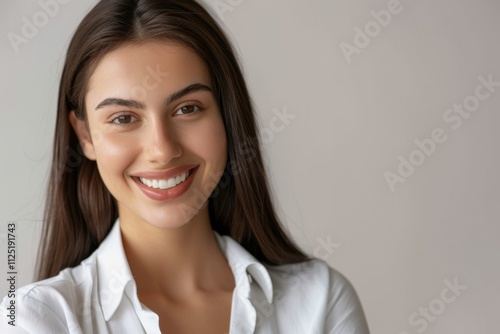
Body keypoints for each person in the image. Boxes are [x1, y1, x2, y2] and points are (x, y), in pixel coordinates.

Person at [0, 0, 370, 333]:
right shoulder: (37, 319)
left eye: (187, 109)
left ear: (226, 116)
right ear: (84, 135)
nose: (162, 150)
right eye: (124, 118)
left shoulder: (320, 302)